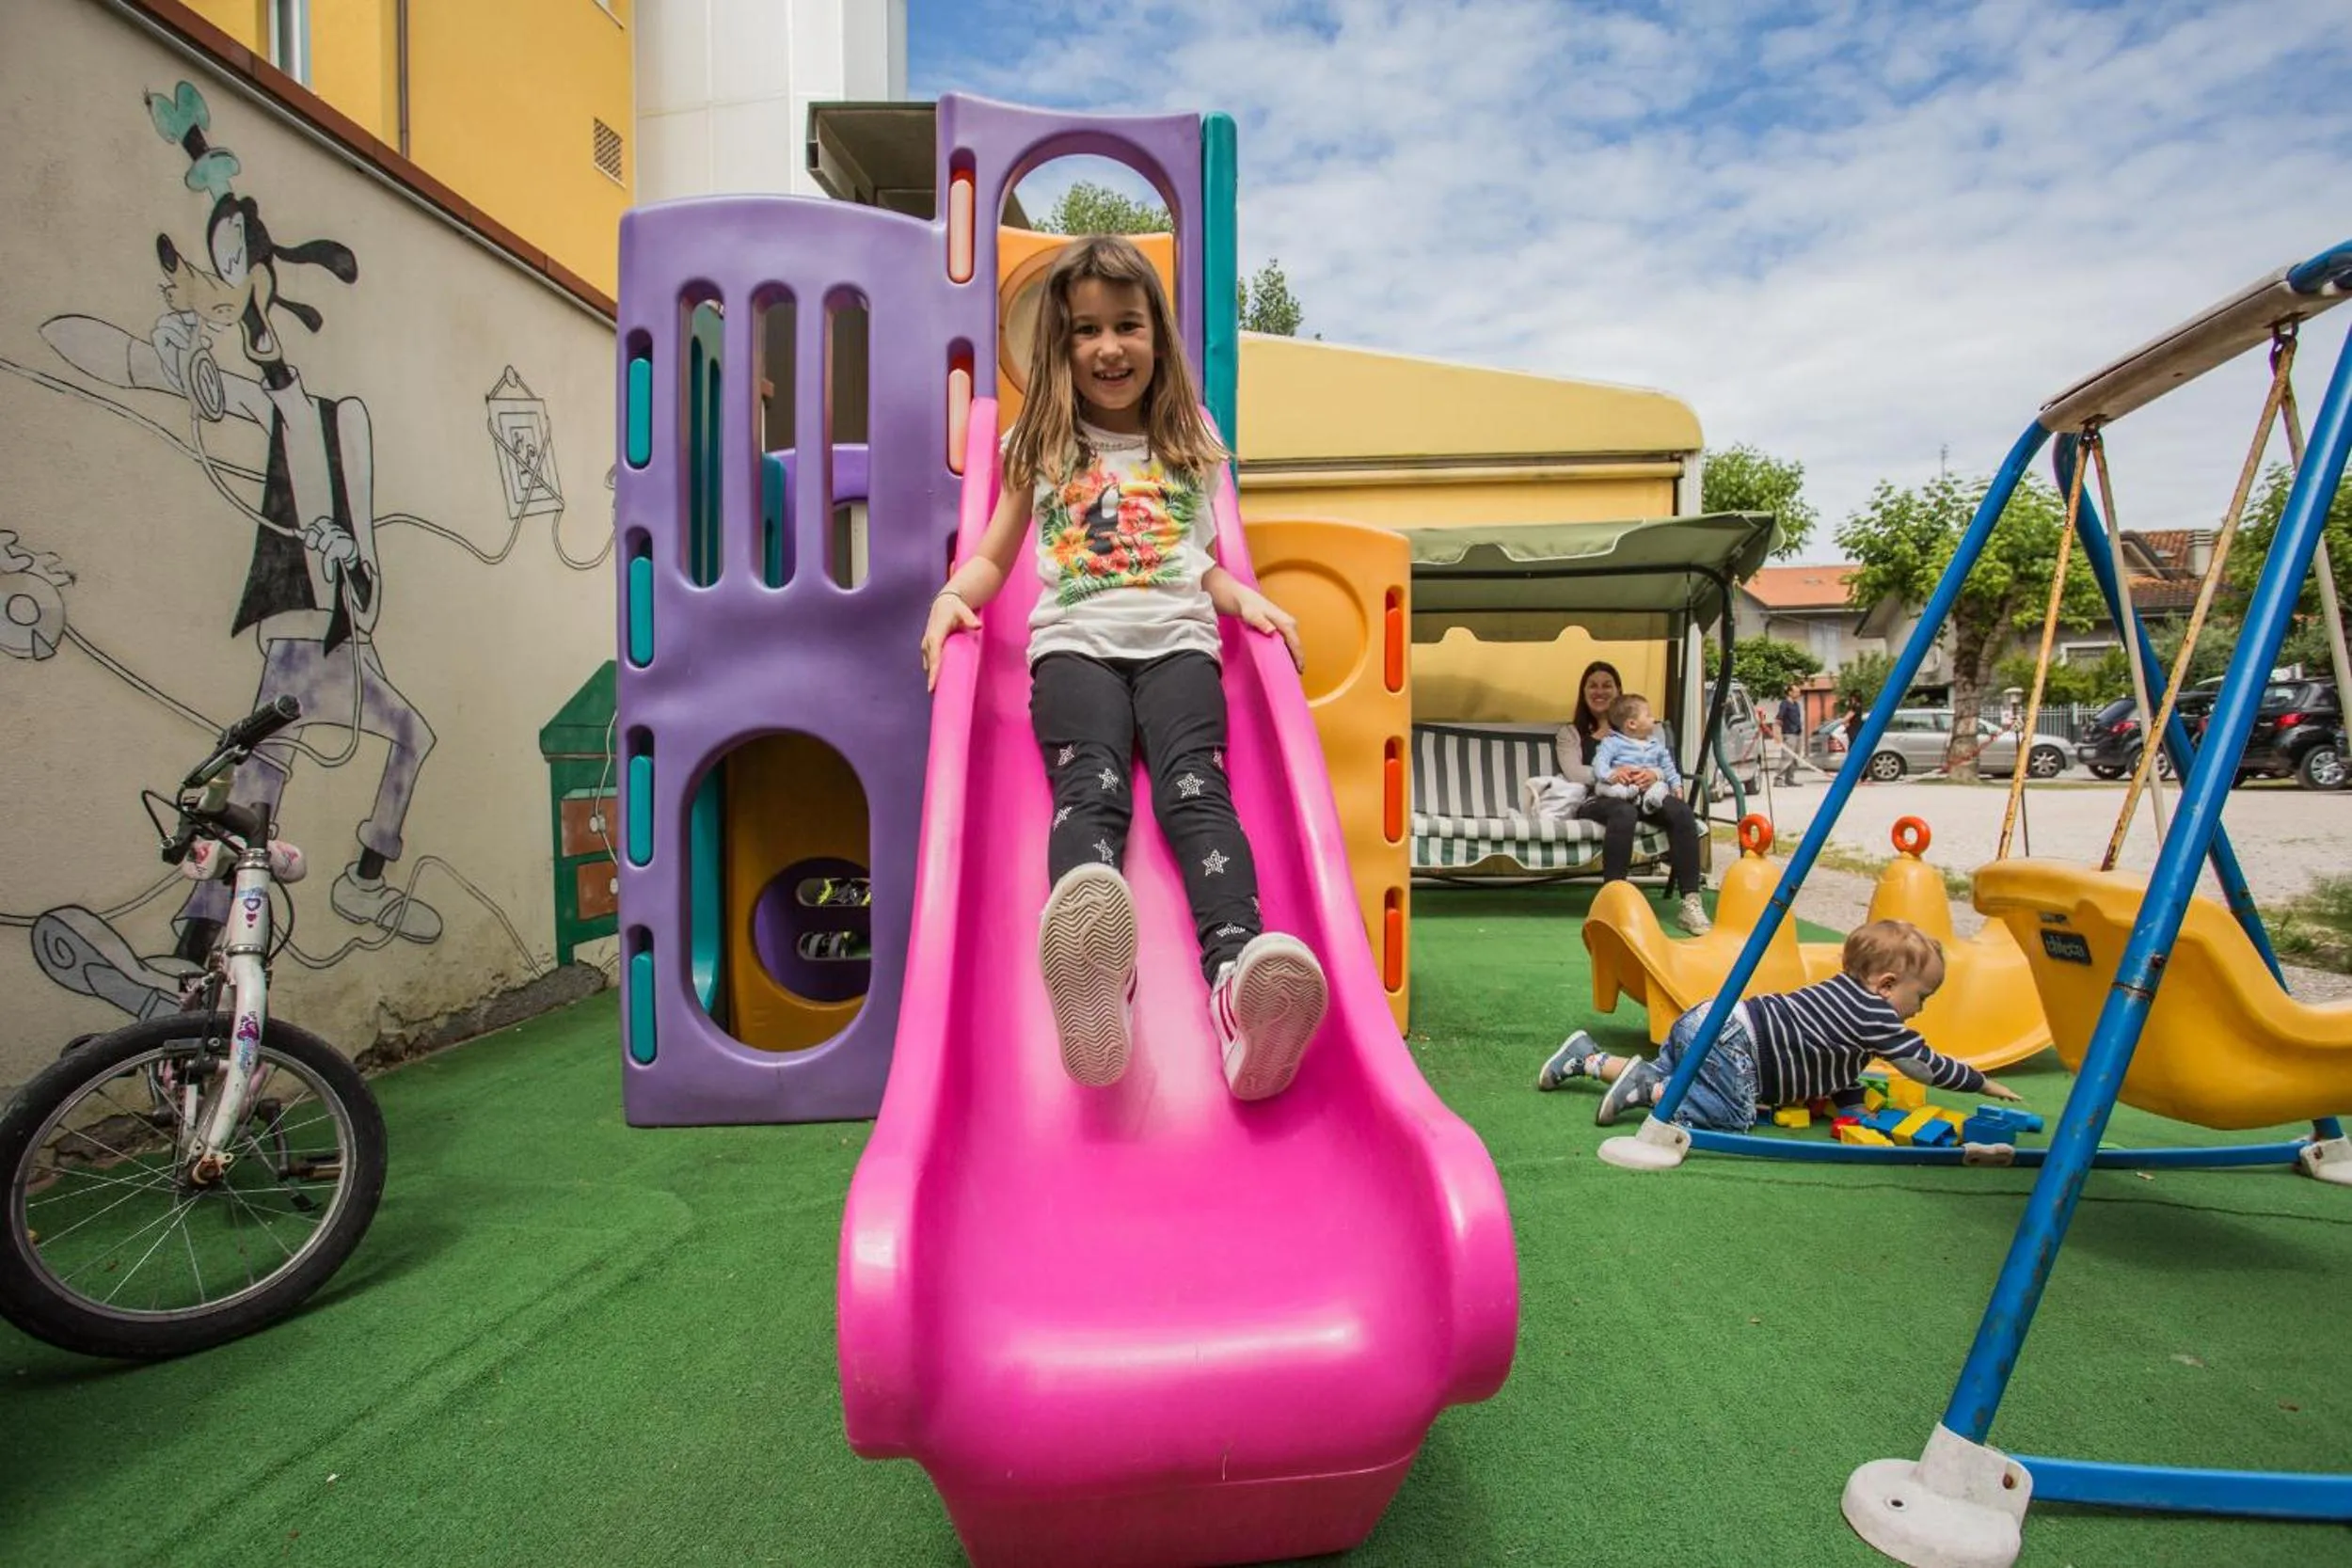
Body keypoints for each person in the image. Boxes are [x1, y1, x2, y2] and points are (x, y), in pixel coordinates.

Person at [918, 234, 1327, 1101]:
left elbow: (1200, 562)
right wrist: (955, 595)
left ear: (1157, 337)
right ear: (1060, 345)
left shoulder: (1187, 442)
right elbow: (994, 555)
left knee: (1197, 794)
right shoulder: (1043, 443)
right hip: (1075, 645)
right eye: (1086, 330)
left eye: (1128, 326)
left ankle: (1233, 991)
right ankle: (1097, 971)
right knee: (1090, 788)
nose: (1108, 347)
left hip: (1180, 644)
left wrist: (1244, 598)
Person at [1534, 919, 2024, 1128]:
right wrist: (1981, 1083)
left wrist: (1855, 1111)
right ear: (1888, 984)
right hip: (1739, 1043)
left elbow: (1842, 1069)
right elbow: (1921, 1066)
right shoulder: (1875, 1013)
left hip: (1710, 1018)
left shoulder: (1844, 996)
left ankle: (1587, 1058)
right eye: (1922, 997)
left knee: (1679, 1074)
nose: (1921, 1010)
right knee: (1734, 1114)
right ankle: (1647, 1092)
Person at [1561, 660, 1708, 935]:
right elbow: (1574, 773)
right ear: (1583, 693)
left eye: (1607, 685)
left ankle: (1691, 902)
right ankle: (1612, 902)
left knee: (1680, 811)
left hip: (1643, 795)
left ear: (1618, 691)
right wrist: (1618, 773)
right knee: (1623, 813)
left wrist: (1652, 773)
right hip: (1601, 799)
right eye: (1592, 686)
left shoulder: (1646, 733)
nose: (1600, 691)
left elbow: (1664, 765)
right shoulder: (1571, 734)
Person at [1590, 694, 1679, 813]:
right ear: (1632, 724)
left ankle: (1650, 803)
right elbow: (1599, 762)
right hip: (1622, 784)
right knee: (1604, 787)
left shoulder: (1656, 745)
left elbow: (1668, 767)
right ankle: (1628, 795)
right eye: (1648, 715)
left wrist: (1676, 785)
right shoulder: (1612, 742)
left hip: (1648, 787)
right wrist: (1611, 775)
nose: (1653, 719)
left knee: (1661, 787)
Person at [1776, 689, 1804, 785]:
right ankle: (1778, 779)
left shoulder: (1796, 704)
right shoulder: (1785, 704)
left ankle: (1789, 779)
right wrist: (1778, 735)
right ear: (1790, 692)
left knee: (1795, 758)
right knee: (1787, 757)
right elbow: (1779, 718)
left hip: (1797, 734)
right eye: (1796, 691)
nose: (1799, 693)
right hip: (1789, 734)